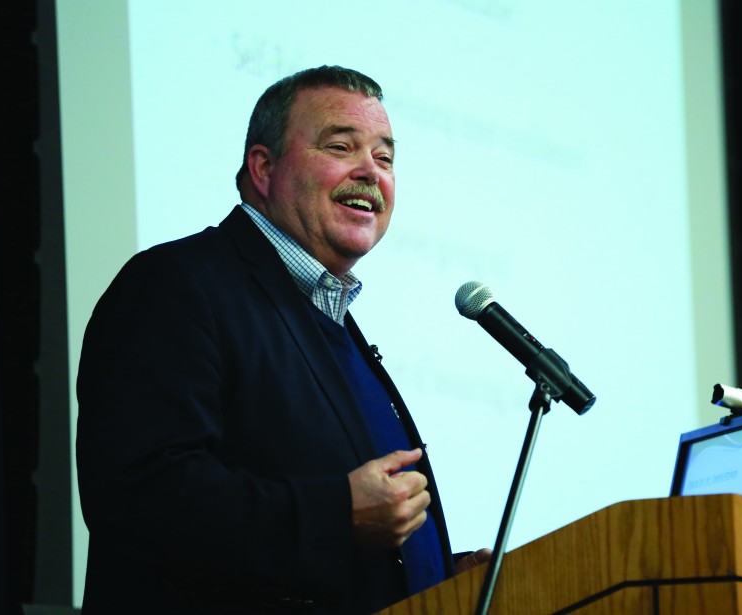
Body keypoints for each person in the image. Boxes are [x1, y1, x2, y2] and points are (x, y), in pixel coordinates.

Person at [76, 65, 489, 614]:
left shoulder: (329, 317)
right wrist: (334, 514)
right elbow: (138, 494)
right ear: (264, 168)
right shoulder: (177, 285)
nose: (371, 171)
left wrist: (436, 575)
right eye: (342, 146)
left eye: (386, 158)